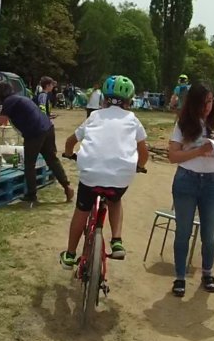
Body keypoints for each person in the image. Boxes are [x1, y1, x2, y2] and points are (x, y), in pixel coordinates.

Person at [60, 75, 149, 267]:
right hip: (120, 176)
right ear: (129, 101)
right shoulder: (133, 120)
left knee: (82, 210)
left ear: (104, 99)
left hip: (91, 174)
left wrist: (69, 154)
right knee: (115, 201)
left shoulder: (94, 116)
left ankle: (70, 254)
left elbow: (70, 141)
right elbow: (144, 152)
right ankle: (116, 240)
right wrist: (140, 166)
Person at [167, 82, 214, 296]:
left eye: (211, 101)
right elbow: (173, 156)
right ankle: (180, 276)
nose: (207, 107)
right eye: (203, 102)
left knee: (209, 233)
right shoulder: (183, 123)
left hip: (213, 182)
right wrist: (198, 151)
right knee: (183, 232)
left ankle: (207, 272)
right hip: (187, 180)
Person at [0, 83, 73, 204]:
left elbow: (2, 120)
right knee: (52, 159)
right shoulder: (20, 98)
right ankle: (67, 186)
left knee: (29, 164)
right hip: (47, 127)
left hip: (35, 132)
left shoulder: (9, 101)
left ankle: (31, 194)